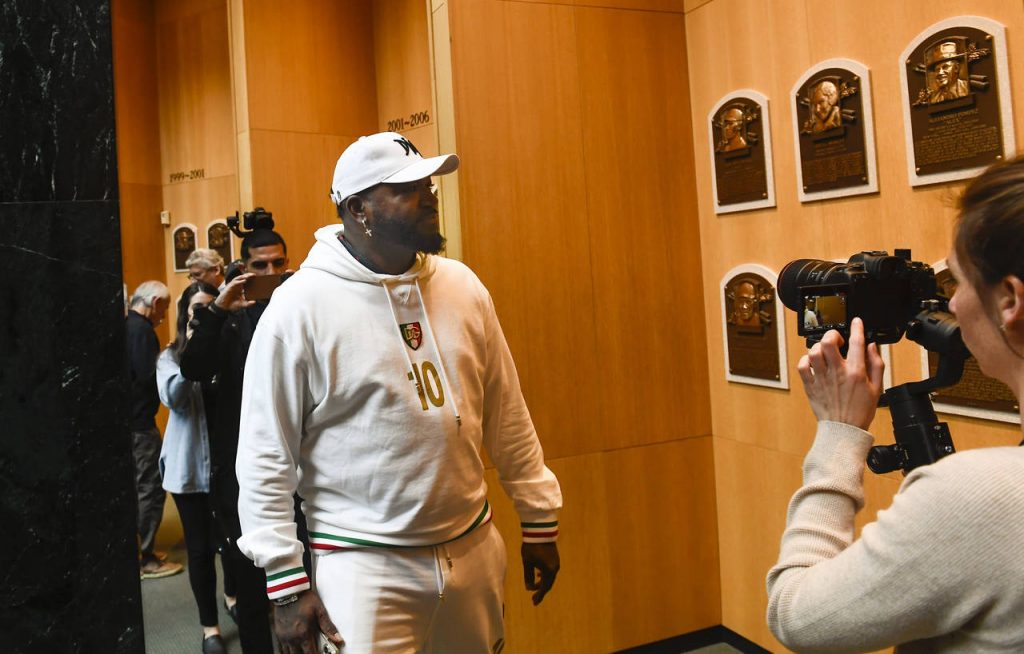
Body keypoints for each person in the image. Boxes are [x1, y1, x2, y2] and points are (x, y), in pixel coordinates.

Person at [235, 132, 563, 654]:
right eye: (408, 188)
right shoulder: (299, 307)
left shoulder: (463, 286)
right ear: (358, 208)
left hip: (472, 545)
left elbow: (507, 410)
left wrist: (538, 514)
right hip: (363, 564)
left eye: (428, 185)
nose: (429, 196)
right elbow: (265, 454)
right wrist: (285, 581)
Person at [766, 156, 1024, 652]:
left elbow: (794, 614)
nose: (952, 304)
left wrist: (838, 433)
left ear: (1010, 300)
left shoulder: (977, 498)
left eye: (959, 281)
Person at [180, 229, 291, 654]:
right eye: (259, 265)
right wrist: (218, 310)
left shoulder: (298, 306)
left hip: (298, 466)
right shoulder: (228, 318)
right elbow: (193, 367)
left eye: (277, 263)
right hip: (242, 471)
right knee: (250, 589)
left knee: (308, 586)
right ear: (243, 268)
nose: (269, 272)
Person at [157, 282, 238, 654]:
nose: (204, 315)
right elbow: (174, 399)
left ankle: (233, 597)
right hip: (189, 471)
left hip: (227, 468)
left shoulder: (229, 347)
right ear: (185, 315)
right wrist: (194, 349)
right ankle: (210, 628)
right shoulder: (170, 356)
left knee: (233, 544)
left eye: (211, 308)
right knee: (200, 551)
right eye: (197, 310)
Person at [126, 280, 183, 580]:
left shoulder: (127, 325)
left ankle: (140, 552)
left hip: (130, 421)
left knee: (140, 487)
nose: (164, 314)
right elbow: (148, 376)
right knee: (150, 488)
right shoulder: (142, 331)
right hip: (140, 425)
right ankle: (146, 558)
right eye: (165, 306)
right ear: (155, 302)